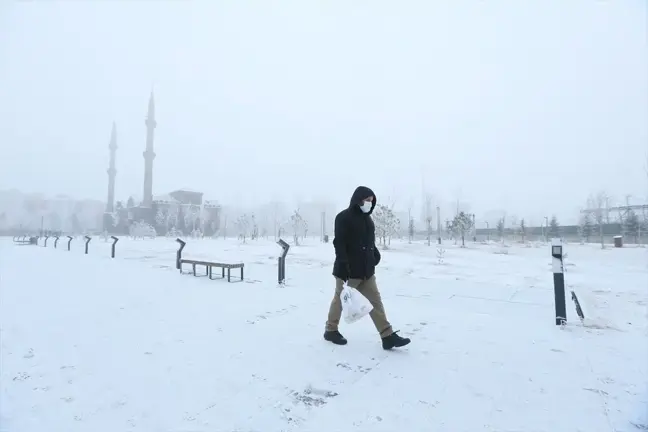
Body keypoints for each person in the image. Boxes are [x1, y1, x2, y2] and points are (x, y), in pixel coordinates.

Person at [324, 186, 411, 350]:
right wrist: (343, 266)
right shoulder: (343, 217)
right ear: (358, 199)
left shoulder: (367, 219)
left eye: (372, 201)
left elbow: (368, 241)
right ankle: (331, 330)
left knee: (376, 302)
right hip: (348, 272)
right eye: (367, 200)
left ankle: (387, 336)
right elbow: (339, 243)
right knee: (340, 301)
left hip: (367, 271)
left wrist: (375, 255)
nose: (369, 204)